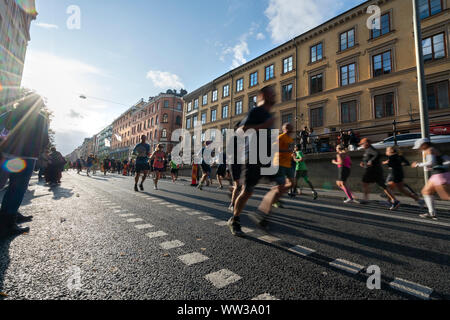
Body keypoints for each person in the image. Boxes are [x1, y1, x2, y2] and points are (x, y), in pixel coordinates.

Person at [228, 86, 276, 236]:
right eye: (271, 93)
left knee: (281, 185)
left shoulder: (269, 115)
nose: (274, 95)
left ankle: (260, 214)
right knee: (247, 191)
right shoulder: (256, 111)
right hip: (253, 156)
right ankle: (234, 220)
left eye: (274, 94)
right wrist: (262, 126)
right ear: (262, 95)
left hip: (267, 157)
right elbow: (239, 130)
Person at [0, 93, 49, 237]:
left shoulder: (9, 114)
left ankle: (10, 214)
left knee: (3, 184)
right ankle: (8, 222)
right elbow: (44, 140)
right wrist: (37, 150)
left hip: (6, 155)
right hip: (26, 157)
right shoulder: (40, 119)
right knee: (17, 189)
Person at [256, 123, 295, 223]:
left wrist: (292, 154)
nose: (289, 129)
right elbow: (274, 148)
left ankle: (275, 194)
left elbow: (290, 151)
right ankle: (264, 211)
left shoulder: (291, 139)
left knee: (292, 184)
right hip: (279, 164)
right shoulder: (280, 137)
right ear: (283, 129)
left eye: (290, 128)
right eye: (287, 128)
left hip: (288, 164)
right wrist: (286, 150)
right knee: (280, 187)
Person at [411, 138, 450, 220]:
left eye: (419, 146)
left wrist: (418, 164)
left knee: (446, 196)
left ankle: (432, 213)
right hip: (440, 174)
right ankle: (432, 213)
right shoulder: (435, 149)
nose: (419, 148)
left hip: (439, 175)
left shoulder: (429, 150)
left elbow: (430, 162)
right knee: (426, 192)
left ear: (424, 144)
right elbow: (444, 161)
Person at [359, 138, 400, 210]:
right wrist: (364, 163)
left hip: (374, 171)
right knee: (381, 185)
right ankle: (394, 200)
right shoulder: (367, 150)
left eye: (362, 144)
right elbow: (368, 159)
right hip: (373, 171)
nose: (362, 145)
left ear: (366, 143)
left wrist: (371, 161)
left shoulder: (370, 149)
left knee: (366, 183)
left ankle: (366, 199)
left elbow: (377, 154)